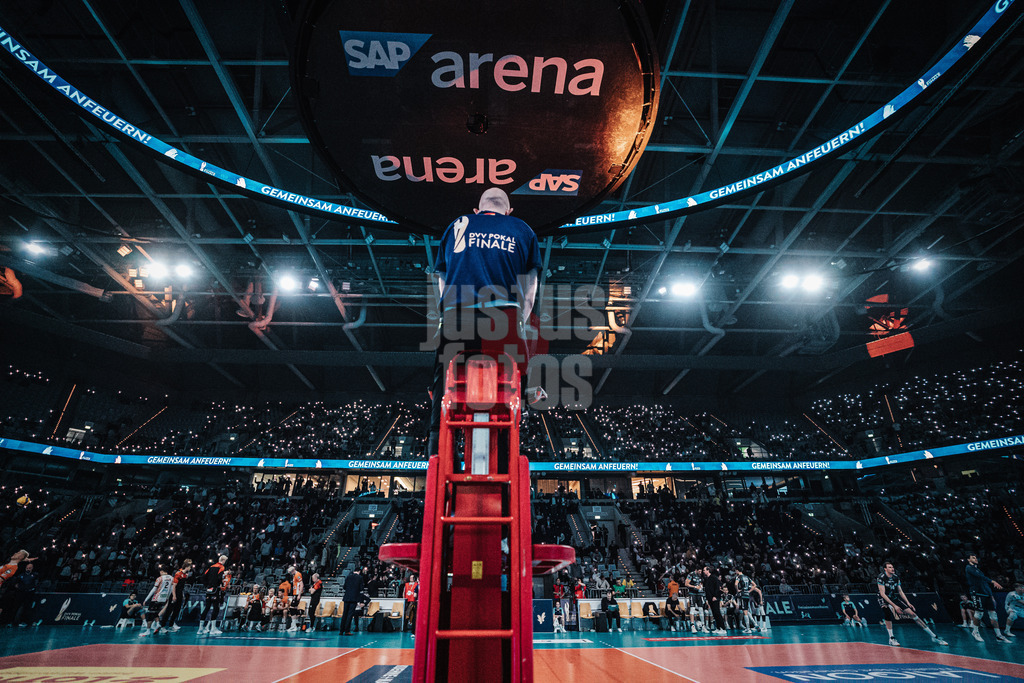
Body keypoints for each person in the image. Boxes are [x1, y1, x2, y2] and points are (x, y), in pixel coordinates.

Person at [427, 187, 543, 457]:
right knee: (514, 387)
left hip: (458, 315)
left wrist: (446, 314)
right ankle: (509, 442)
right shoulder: (523, 230)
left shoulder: (458, 225)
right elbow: (530, 289)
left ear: (477, 210)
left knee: (441, 382)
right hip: (505, 318)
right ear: (509, 211)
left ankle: (437, 450)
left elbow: (442, 283)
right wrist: (520, 324)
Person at [877, 561, 947, 647]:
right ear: (885, 569)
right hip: (883, 598)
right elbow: (882, 594)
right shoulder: (881, 577)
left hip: (892, 596)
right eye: (890, 567)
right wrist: (894, 606)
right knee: (887, 612)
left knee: (913, 614)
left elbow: (900, 591)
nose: (892, 568)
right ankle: (891, 638)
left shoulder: (896, 577)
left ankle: (934, 636)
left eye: (892, 567)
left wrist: (908, 603)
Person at [965, 553, 1010, 642]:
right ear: (968, 560)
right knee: (979, 614)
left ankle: (998, 635)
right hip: (977, 593)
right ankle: (975, 632)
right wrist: (993, 581)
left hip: (986, 594)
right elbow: (981, 577)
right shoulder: (969, 568)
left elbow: (984, 582)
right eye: (973, 558)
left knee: (993, 615)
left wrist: (991, 596)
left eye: (976, 557)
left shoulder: (978, 570)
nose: (976, 559)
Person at [198, 555, 229, 636]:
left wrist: (207, 585)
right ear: (223, 561)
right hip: (216, 589)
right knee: (216, 608)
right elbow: (219, 578)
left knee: (207, 608)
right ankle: (213, 629)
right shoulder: (221, 567)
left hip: (209, 589)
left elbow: (203, 576)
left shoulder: (211, 567)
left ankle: (200, 628)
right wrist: (220, 583)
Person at [140, 567, 174, 637]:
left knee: (150, 614)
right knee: (156, 613)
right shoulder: (171, 578)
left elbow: (153, 589)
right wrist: (167, 598)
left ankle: (148, 631)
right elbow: (171, 589)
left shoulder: (160, 578)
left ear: (161, 571)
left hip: (156, 598)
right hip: (164, 599)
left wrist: (146, 599)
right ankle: (158, 624)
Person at [163, 559, 192, 633]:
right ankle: (162, 626)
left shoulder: (185, 575)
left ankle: (171, 625)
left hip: (180, 594)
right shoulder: (178, 574)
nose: (190, 568)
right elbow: (174, 586)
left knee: (177, 610)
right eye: (190, 566)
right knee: (169, 610)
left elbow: (182, 587)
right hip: (174, 594)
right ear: (187, 566)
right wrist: (174, 596)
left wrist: (182, 595)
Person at [339, 567, 366, 636]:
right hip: (354, 598)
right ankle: (347, 630)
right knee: (350, 615)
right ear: (359, 571)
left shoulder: (348, 577)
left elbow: (344, 587)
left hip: (346, 597)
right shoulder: (359, 578)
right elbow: (361, 589)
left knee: (344, 614)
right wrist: (361, 601)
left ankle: (341, 630)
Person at [735, 568, 762, 634]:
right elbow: (754, 584)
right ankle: (755, 624)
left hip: (742, 594)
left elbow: (736, 584)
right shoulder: (747, 577)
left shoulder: (738, 577)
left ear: (737, 571)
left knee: (745, 612)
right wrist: (749, 591)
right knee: (746, 610)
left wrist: (737, 590)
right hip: (747, 595)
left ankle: (748, 628)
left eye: (736, 570)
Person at [703, 566, 727, 635]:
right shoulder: (707, 579)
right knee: (714, 613)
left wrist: (715, 596)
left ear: (708, 570)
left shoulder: (713, 577)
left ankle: (723, 628)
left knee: (717, 613)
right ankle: (718, 627)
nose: (703, 571)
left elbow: (717, 587)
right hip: (710, 598)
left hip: (715, 598)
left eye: (704, 570)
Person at [685, 567, 708, 634]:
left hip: (699, 594)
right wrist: (694, 587)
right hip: (692, 594)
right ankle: (693, 626)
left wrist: (700, 587)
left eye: (701, 571)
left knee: (701, 609)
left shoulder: (700, 576)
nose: (700, 573)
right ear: (696, 570)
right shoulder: (690, 575)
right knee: (692, 609)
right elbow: (686, 584)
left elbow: (701, 583)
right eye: (699, 571)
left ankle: (703, 626)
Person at [286, 566, 304, 632]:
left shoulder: (298, 574)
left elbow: (301, 584)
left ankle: (293, 626)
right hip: (294, 593)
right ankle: (296, 624)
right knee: (295, 608)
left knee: (292, 608)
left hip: (297, 594)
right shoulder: (294, 575)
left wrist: (299, 594)